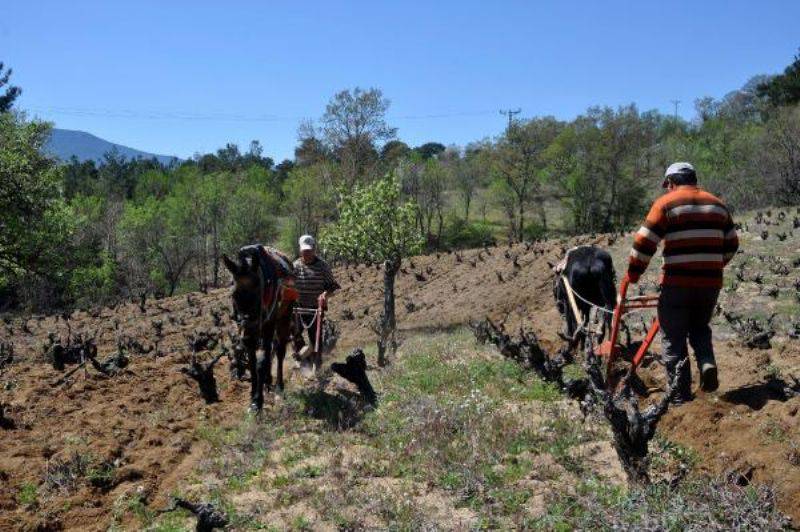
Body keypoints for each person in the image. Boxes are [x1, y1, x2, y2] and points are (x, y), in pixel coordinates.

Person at [626, 162, 739, 404]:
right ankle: (707, 362)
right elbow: (732, 243)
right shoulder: (718, 205)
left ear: (670, 182)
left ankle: (679, 397)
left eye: (666, 185)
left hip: (677, 283)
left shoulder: (666, 204)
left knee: (673, 338)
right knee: (699, 327)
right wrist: (713, 266)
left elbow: (643, 242)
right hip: (710, 284)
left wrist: (634, 274)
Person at [292, 235, 340, 371]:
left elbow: (332, 286)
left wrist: (325, 294)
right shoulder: (295, 266)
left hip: (315, 308)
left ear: (314, 249)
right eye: (304, 251)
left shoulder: (323, 266)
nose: (306, 254)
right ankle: (302, 359)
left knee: (315, 339)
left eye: (309, 251)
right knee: (295, 335)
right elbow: (289, 284)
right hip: (299, 308)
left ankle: (316, 365)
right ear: (300, 250)